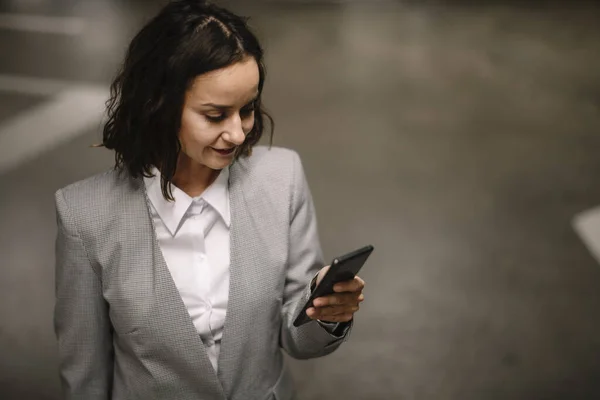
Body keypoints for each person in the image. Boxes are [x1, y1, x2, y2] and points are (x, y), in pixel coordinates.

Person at [53, 1, 365, 399]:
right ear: (159, 107)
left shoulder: (281, 177)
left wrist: (324, 314)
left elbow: (296, 339)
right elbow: (85, 377)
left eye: (247, 110)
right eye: (216, 115)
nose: (237, 133)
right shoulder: (85, 216)